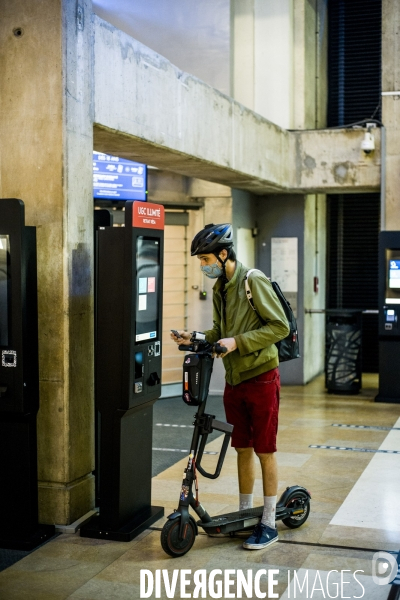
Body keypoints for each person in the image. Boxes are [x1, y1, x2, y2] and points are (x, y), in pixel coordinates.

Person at [171, 223, 290, 551]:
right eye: (199, 261)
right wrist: (193, 336)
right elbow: (218, 331)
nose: (203, 266)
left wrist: (238, 342)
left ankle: (267, 521)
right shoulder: (221, 287)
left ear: (223, 254)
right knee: (242, 447)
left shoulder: (253, 280)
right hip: (235, 379)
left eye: (206, 258)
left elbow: (279, 326)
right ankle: (245, 512)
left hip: (262, 376)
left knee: (264, 449)